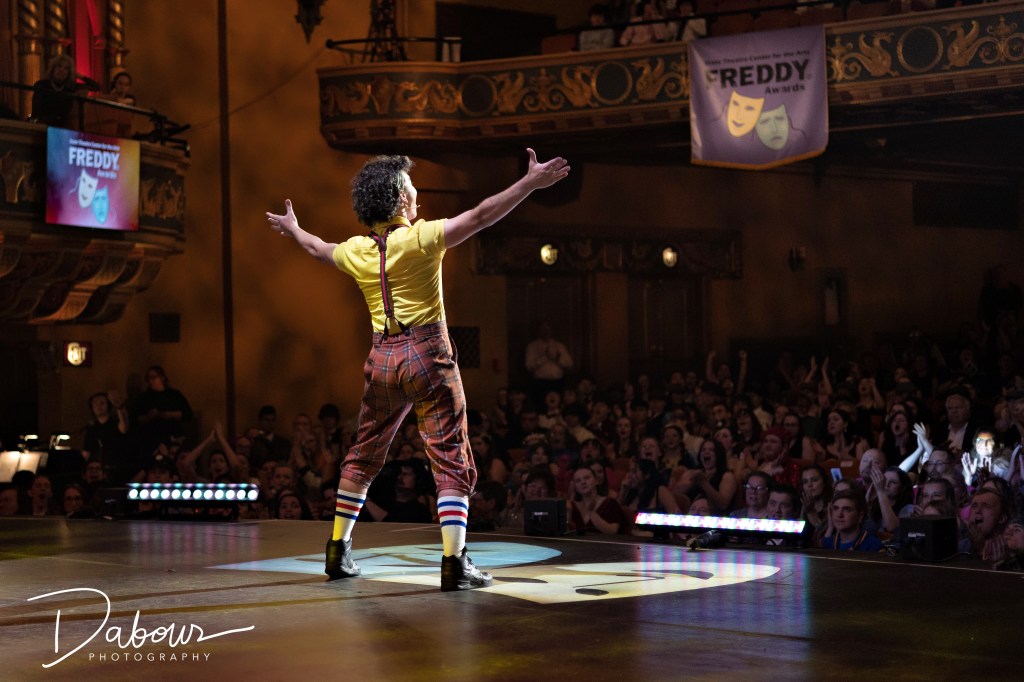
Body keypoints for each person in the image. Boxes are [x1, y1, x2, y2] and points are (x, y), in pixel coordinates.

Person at [267, 148, 569, 591]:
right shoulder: (422, 238)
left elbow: (316, 248)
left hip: (382, 359)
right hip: (428, 355)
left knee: (364, 453)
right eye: (412, 190)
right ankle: (454, 562)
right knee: (449, 455)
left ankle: (337, 549)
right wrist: (528, 184)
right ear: (397, 198)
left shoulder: (356, 251)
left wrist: (294, 228)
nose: (418, 199)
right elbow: (482, 216)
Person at [30, 54, 100, 128]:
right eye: (59, 66)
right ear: (53, 69)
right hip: (43, 126)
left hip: (61, 127)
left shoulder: (70, 88)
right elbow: (36, 111)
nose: (62, 70)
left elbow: (96, 87)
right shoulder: (42, 85)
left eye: (66, 68)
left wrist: (79, 76)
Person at [524, 322, 573, 407]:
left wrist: (557, 358)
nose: (545, 332)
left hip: (558, 383)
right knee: (541, 407)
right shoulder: (532, 346)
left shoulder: (559, 346)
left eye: (547, 330)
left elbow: (569, 364)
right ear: (538, 331)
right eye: (543, 330)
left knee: (558, 408)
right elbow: (529, 366)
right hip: (541, 384)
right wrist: (545, 357)